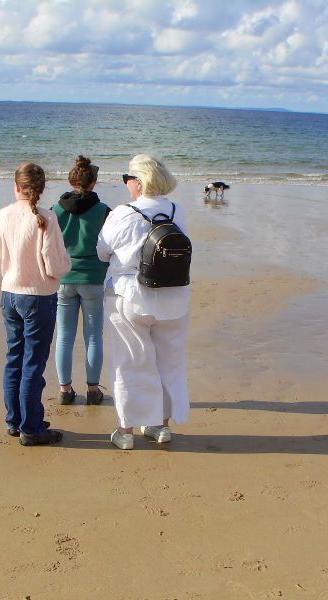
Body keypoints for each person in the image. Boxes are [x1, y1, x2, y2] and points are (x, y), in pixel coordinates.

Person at [97, 154, 191, 450]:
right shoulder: (177, 210)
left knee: (130, 362)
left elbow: (102, 250)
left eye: (127, 179)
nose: (126, 184)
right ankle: (160, 426)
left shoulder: (124, 213)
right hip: (174, 296)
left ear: (138, 182)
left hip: (129, 296)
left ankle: (126, 431)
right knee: (168, 362)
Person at [0, 162, 71, 446]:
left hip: (10, 292)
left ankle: (15, 421)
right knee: (32, 365)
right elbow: (54, 265)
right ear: (40, 189)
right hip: (38, 296)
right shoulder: (47, 218)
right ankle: (32, 428)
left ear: (16, 187)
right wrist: (67, 264)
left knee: (14, 358)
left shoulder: (4, 214)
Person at [52, 155, 111, 406]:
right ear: (94, 183)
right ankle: (93, 389)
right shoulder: (103, 210)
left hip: (65, 277)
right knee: (94, 336)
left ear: (71, 180)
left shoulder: (55, 209)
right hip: (93, 277)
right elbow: (109, 244)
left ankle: (65, 390)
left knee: (64, 336)